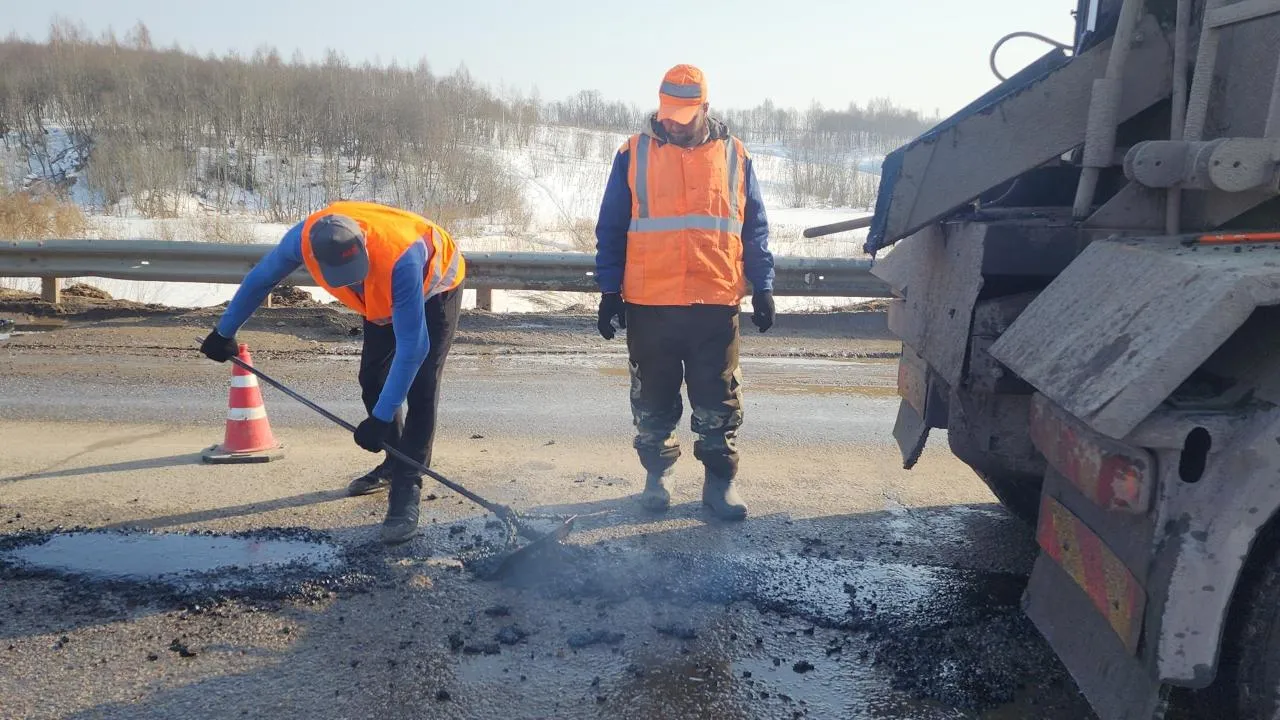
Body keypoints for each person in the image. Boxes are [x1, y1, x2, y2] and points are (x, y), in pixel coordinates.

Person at [199, 200, 466, 544]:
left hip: (435, 283)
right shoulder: (303, 239)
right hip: (381, 292)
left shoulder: (401, 259)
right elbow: (260, 280)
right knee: (372, 378)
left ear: (363, 249)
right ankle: (393, 460)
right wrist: (224, 332)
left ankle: (406, 486)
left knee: (421, 385)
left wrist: (381, 417)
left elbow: (414, 347)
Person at [593, 64, 775, 521]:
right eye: (668, 112)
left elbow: (754, 229)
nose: (673, 121)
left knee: (719, 400)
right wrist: (608, 291)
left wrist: (764, 286)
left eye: (684, 113)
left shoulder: (735, 155)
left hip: (714, 301)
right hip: (650, 303)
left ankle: (719, 484)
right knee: (652, 399)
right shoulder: (632, 153)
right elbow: (612, 227)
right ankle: (657, 476)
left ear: (705, 109)